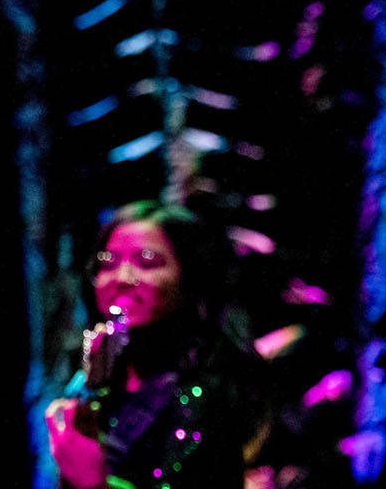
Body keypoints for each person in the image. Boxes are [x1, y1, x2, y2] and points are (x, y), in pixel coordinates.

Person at [44, 200, 272, 489]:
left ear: (190, 277)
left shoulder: (216, 388)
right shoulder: (98, 378)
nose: (122, 278)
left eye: (147, 261)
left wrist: (94, 484)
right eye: (108, 263)